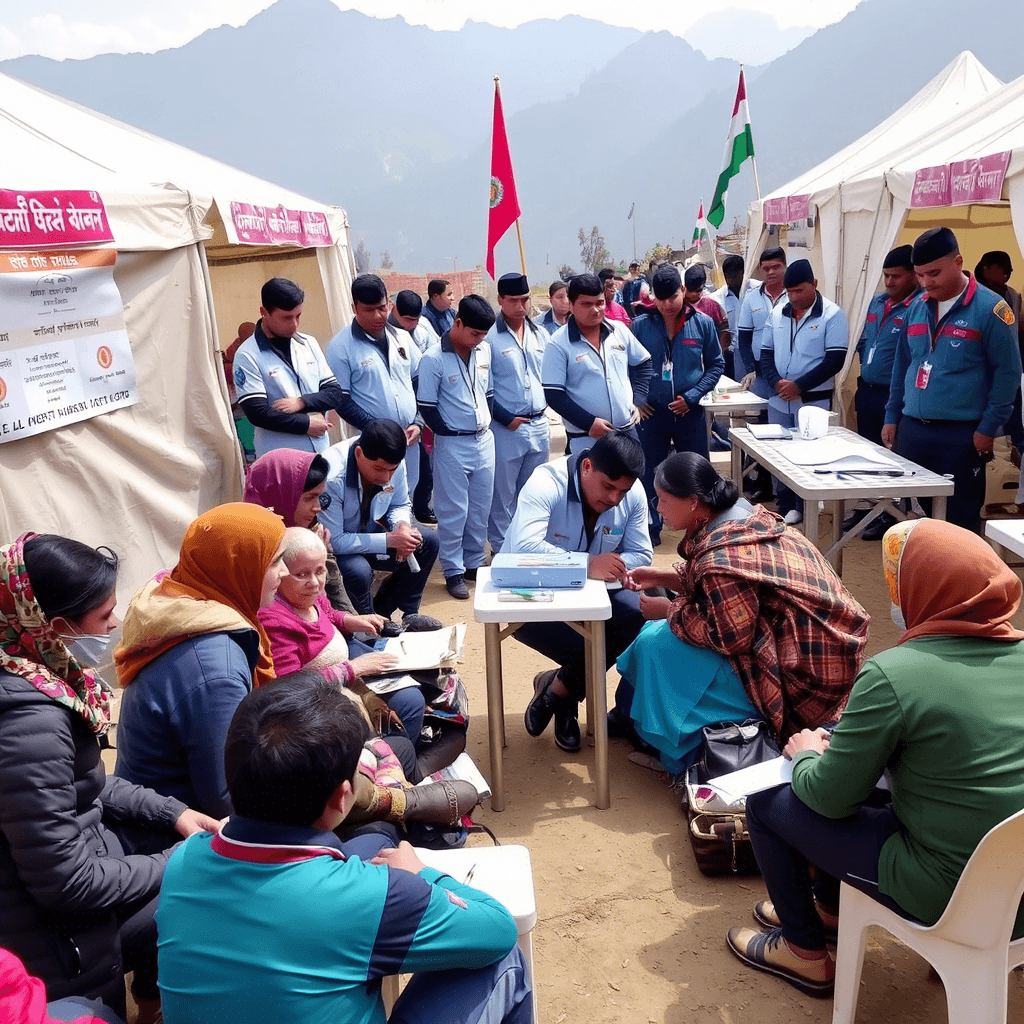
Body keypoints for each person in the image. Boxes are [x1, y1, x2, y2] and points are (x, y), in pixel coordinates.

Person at [726, 518, 1024, 997]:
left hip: (949, 894)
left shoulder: (895, 674)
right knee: (881, 791)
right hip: (1017, 892)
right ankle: (830, 910)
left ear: (926, 590)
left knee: (767, 804)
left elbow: (830, 798)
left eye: (898, 584)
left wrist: (805, 756)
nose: (896, 599)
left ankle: (803, 952)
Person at [155, 678, 532, 1024]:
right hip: (384, 893)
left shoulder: (184, 861)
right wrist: (421, 873)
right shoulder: (374, 894)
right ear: (343, 798)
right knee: (501, 961)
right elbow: (497, 928)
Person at [0, 534, 219, 1021]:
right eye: (103, 618)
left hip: (69, 908)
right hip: (60, 950)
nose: (116, 625)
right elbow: (68, 883)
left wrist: (175, 813)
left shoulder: (32, 674)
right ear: (54, 626)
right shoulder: (28, 719)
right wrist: (176, 859)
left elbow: (86, 783)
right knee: (209, 889)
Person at [618, 452, 869, 774]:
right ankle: (632, 717)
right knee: (653, 639)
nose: (658, 508)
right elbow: (735, 589)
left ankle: (678, 751)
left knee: (655, 644)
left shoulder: (723, 555)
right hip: (829, 658)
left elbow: (731, 638)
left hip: (806, 678)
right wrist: (663, 577)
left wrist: (669, 610)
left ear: (693, 502)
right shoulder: (745, 518)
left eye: (664, 500)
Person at [113, 504, 288, 819]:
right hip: (173, 837)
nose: (285, 572)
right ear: (238, 566)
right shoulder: (216, 669)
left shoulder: (185, 603)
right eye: (274, 561)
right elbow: (227, 799)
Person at [501, 432, 652, 753]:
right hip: (532, 600)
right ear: (586, 466)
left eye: (622, 491)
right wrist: (585, 566)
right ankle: (565, 695)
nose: (614, 499)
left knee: (642, 609)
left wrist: (605, 567)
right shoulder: (545, 482)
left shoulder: (632, 492)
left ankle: (559, 689)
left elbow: (641, 554)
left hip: (594, 599)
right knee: (590, 644)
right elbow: (524, 549)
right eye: (608, 487)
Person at [882, 227, 1022, 533]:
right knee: (914, 523)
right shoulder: (916, 308)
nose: (926, 282)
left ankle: (962, 581)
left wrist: (987, 428)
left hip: (961, 436)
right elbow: (902, 366)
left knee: (959, 525)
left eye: (934, 273)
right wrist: (892, 416)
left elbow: (1008, 374)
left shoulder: (991, 309)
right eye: (919, 275)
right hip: (913, 431)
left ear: (958, 262)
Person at [318, 418, 442, 631]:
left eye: (391, 470)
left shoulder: (394, 460)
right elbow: (335, 541)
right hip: (335, 547)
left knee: (426, 540)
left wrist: (401, 526)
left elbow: (400, 503)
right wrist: (389, 541)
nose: (386, 477)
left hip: (369, 530)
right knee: (358, 570)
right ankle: (367, 625)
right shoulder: (331, 475)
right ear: (358, 453)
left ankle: (397, 614)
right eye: (379, 469)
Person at [632, 263, 725, 544]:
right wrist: (638, 399)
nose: (667, 305)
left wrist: (693, 396)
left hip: (690, 414)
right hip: (653, 415)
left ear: (683, 291)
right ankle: (651, 526)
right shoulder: (640, 327)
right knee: (649, 472)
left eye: (672, 297)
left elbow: (716, 365)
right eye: (660, 299)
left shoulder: (703, 324)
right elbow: (626, 367)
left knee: (697, 473)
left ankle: (703, 529)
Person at [417, 295, 497, 600]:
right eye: (474, 334)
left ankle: (473, 562)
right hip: (452, 443)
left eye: (483, 335)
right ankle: (452, 569)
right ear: (458, 323)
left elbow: (488, 393)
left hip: (483, 438)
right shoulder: (433, 359)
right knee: (453, 511)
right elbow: (427, 406)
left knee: (480, 507)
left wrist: (481, 424)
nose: (478, 340)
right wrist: (449, 433)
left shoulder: (484, 351)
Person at [760, 259, 849, 525]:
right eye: (790, 292)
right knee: (778, 456)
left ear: (815, 285)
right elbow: (765, 354)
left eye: (800, 291)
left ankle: (805, 506)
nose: (794, 297)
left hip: (812, 402)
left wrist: (799, 386)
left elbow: (835, 360)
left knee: (808, 458)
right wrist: (777, 382)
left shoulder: (832, 315)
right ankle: (785, 505)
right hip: (778, 400)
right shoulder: (777, 313)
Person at [326, 273, 423, 499]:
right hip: (372, 446)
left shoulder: (402, 338)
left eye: (382, 308)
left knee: (405, 498)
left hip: (409, 438)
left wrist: (419, 421)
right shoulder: (341, 347)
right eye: (369, 310)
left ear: (389, 303)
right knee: (377, 501)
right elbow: (341, 399)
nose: (378, 315)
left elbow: (419, 381)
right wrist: (379, 430)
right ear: (354, 308)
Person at [846, 245, 920, 539]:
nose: (889, 282)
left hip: (896, 394)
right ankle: (867, 508)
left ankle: (892, 516)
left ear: (914, 275)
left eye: (896, 277)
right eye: (886, 276)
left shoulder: (919, 306)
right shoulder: (877, 303)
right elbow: (864, 339)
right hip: (870, 390)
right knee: (868, 456)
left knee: (893, 460)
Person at [543, 272, 653, 456]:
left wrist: (638, 398)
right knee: (590, 484)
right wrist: (589, 423)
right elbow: (554, 395)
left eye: (599, 303)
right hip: (586, 438)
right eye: (586, 304)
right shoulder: (558, 344)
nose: (595, 309)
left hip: (627, 432)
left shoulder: (619, 331)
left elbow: (644, 363)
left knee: (632, 483)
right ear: (571, 305)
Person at [233, 278, 340, 459]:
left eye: (298, 316)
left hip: (320, 452)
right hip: (280, 459)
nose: (295, 324)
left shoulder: (308, 344)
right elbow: (257, 413)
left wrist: (301, 402)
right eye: (286, 318)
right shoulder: (248, 355)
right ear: (264, 312)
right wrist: (306, 424)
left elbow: (334, 393)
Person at [243, 446, 356, 614]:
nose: (318, 507)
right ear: (280, 494)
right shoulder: (254, 545)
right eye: (309, 498)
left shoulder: (311, 529)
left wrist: (352, 622)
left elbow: (335, 595)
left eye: (320, 497)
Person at [486, 272, 550, 554]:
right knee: (503, 494)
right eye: (513, 301)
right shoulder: (489, 339)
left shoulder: (541, 334)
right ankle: (501, 548)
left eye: (525, 299)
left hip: (538, 423)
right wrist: (505, 418)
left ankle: (528, 543)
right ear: (501, 300)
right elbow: (482, 389)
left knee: (534, 491)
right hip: (507, 427)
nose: (521, 306)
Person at [975, 250, 1024, 461]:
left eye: (1009, 271)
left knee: (1013, 414)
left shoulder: (1013, 295)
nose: (1008, 275)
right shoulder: (975, 296)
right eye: (1003, 270)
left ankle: (1012, 451)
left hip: (1010, 366)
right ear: (986, 270)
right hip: (983, 370)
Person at [711, 254, 747, 380]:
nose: (731, 279)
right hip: (730, 353)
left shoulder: (756, 290)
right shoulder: (717, 298)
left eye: (735, 275)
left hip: (753, 351)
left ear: (742, 272)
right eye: (728, 276)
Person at [683, 265, 730, 352]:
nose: (693, 294)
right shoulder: (677, 305)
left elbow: (724, 331)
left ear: (703, 286)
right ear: (684, 286)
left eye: (697, 290)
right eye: (690, 290)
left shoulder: (712, 305)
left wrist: (719, 355)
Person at [389, 288, 439, 354]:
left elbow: (436, 351)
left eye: (416, 320)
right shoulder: (382, 330)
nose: (413, 324)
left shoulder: (423, 325)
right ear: (395, 310)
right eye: (408, 319)